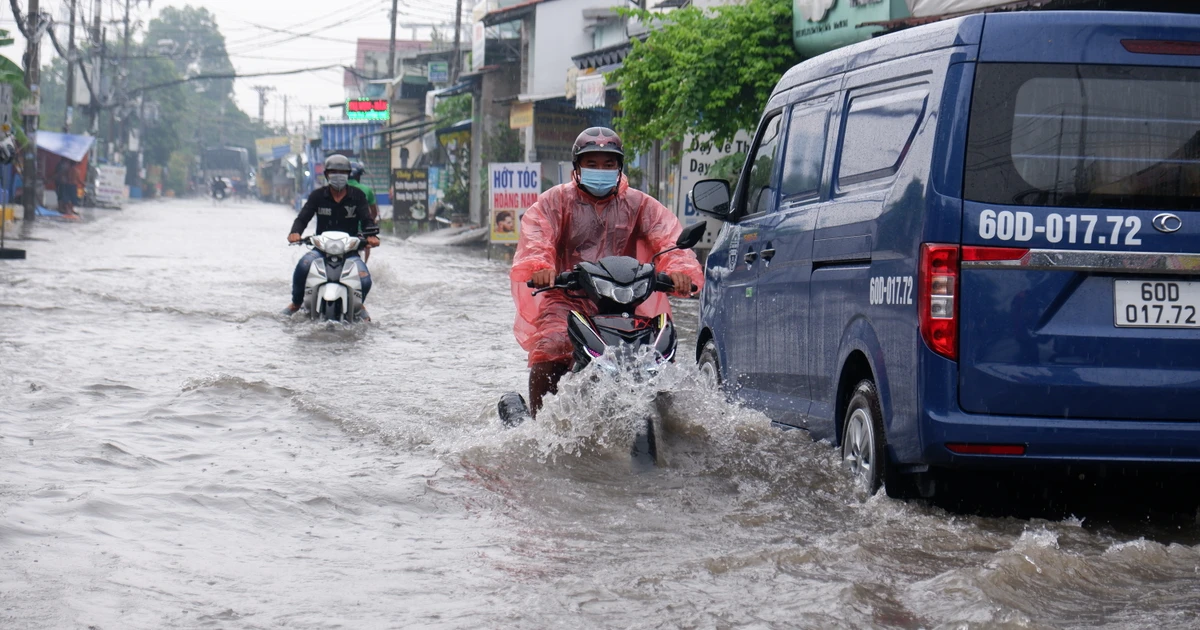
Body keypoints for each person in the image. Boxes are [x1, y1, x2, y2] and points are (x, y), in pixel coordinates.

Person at [509, 127, 705, 417]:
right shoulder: (555, 201)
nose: (600, 170)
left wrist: (679, 269)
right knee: (551, 345)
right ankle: (540, 425)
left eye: (608, 164)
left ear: (619, 168)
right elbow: (538, 234)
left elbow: (668, 237)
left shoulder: (638, 204)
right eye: (592, 164)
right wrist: (541, 268)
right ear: (577, 167)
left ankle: (668, 421)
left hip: (623, 299)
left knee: (658, 353)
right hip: (568, 297)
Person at [284, 154, 381, 318]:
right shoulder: (317, 196)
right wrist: (295, 232)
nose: (338, 175)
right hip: (321, 249)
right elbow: (303, 217)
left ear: (348, 174)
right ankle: (296, 302)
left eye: (342, 172)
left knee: (365, 280)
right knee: (303, 266)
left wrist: (372, 236)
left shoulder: (357, 196)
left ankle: (358, 305)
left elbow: (367, 220)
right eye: (333, 172)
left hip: (349, 250)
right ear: (327, 174)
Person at [347, 161, 380, 261]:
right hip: (361, 230)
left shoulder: (337, 189)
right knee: (367, 243)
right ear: (358, 176)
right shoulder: (366, 190)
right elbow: (374, 212)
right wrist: (371, 223)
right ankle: (365, 264)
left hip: (341, 228)